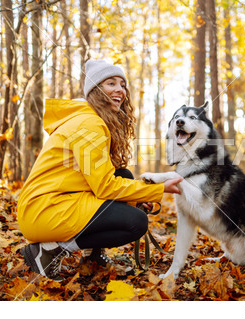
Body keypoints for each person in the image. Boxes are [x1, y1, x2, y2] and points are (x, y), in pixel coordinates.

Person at [17, 59, 182, 281]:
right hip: (45, 210)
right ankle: (51, 250)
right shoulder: (89, 124)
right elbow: (104, 187)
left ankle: (92, 255)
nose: (120, 90)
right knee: (135, 223)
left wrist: (136, 197)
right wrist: (156, 190)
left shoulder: (91, 120)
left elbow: (102, 179)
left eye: (122, 85)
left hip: (53, 203)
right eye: (110, 83)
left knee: (122, 174)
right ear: (95, 91)